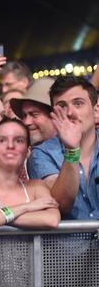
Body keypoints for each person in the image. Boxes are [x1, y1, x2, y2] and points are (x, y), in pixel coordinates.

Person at [0, 118, 60, 233]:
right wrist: (26, 207)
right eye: (2, 140)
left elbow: (52, 220)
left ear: (28, 151)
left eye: (19, 140)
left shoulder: (37, 186)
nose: (10, 145)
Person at [27, 76, 99, 219]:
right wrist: (71, 150)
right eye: (62, 106)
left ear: (96, 110)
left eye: (78, 103)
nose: (70, 113)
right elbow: (60, 205)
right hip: (70, 241)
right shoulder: (42, 153)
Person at [9, 77, 57, 146]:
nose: (26, 122)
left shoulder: (71, 149)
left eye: (34, 114)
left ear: (55, 114)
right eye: (24, 115)